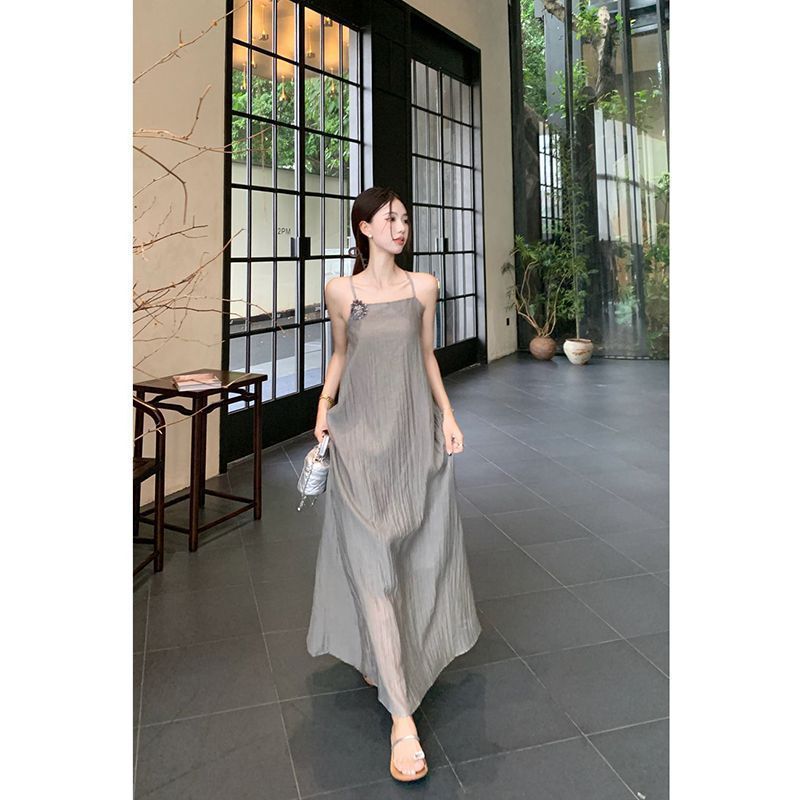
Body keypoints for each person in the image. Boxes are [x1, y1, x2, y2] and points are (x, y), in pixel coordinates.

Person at [306, 187, 481, 782]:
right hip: (358, 439)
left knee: (413, 554)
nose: (400, 226)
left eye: (405, 218)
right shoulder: (341, 291)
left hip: (410, 439)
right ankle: (402, 720)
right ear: (364, 227)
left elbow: (427, 356)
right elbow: (340, 354)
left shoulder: (423, 287)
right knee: (371, 562)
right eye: (389, 219)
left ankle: (385, 658)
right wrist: (324, 405)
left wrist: (448, 416)